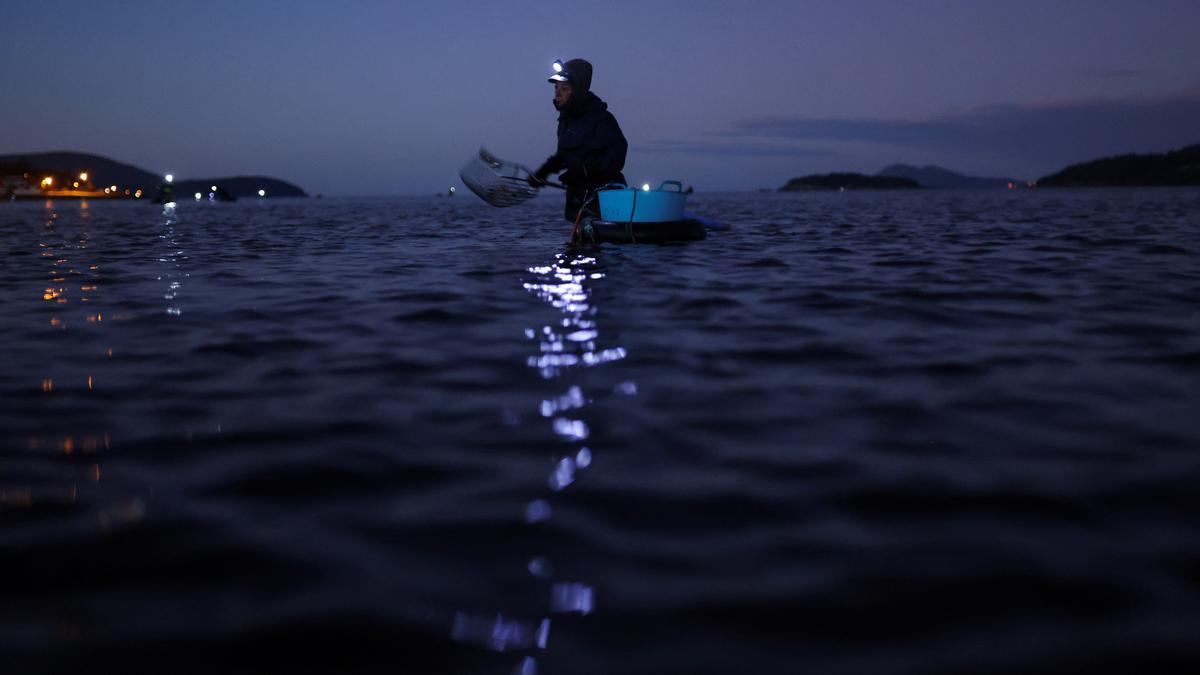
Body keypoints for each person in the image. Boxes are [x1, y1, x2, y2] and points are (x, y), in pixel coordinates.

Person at [531, 59, 628, 222]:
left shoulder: (600, 119)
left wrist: (583, 172)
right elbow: (565, 153)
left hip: (605, 202)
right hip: (579, 202)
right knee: (579, 245)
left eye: (564, 88)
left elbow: (617, 156)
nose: (557, 93)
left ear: (577, 91)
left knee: (599, 246)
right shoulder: (565, 121)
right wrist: (545, 171)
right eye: (556, 88)